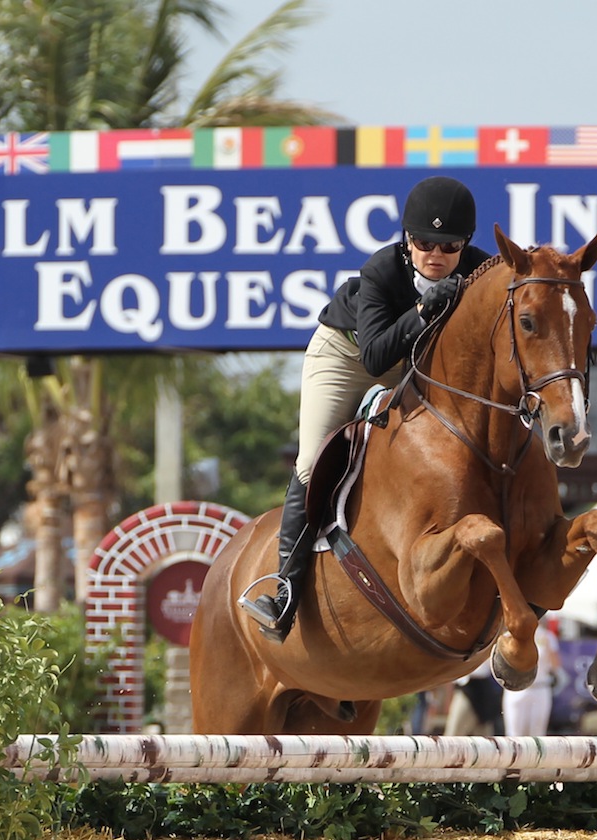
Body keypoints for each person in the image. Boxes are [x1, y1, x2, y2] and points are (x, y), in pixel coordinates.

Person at [239, 175, 490, 642]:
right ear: (407, 239)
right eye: (424, 243)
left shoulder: (481, 270)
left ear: (466, 244)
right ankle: (284, 590)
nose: (435, 254)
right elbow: (375, 358)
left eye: (450, 246)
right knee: (312, 460)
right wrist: (422, 311)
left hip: (417, 362)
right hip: (348, 356)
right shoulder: (381, 270)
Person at [502, 617, 564, 736]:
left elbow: (556, 665)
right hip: (516, 689)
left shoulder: (547, 636)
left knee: (537, 733)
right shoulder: (509, 636)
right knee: (513, 733)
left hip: (539, 687)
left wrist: (548, 647)